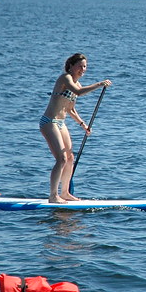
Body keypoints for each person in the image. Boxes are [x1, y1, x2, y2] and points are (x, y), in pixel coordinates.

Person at [39, 53, 111, 203]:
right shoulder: (65, 78)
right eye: (80, 66)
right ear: (71, 66)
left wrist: (83, 124)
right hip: (49, 122)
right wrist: (99, 84)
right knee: (61, 159)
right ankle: (53, 196)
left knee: (70, 158)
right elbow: (78, 92)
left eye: (85, 67)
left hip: (60, 123)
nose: (82, 69)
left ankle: (64, 193)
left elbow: (70, 109)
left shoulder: (77, 84)